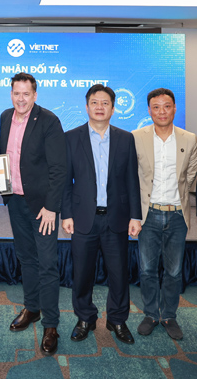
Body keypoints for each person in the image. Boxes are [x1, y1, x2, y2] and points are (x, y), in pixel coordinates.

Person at [62, 85, 141, 345]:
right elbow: (65, 180)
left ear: (113, 109)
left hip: (116, 217)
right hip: (83, 217)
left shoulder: (125, 138)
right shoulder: (71, 137)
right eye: (94, 102)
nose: (99, 107)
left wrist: (135, 216)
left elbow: (132, 180)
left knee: (118, 273)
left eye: (105, 103)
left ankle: (117, 319)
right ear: (86, 107)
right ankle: (85, 318)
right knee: (82, 273)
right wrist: (66, 214)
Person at [0, 72, 66, 356]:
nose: (21, 99)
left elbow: (59, 168)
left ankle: (51, 325)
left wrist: (51, 207)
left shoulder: (49, 120)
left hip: (42, 208)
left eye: (26, 94)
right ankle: (32, 308)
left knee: (47, 264)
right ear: (11, 94)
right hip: (16, 202)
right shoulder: (5, 117)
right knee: (26, 258)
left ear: (35, 95)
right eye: (17, 93)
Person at [132, 88, 197, 340]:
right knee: (147, 270)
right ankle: (151, 314)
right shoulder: (136, 137)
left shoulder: (189, 139)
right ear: (149, 110)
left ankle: (169, 315)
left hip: (177, 215)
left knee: (173, 271)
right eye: (156, 107)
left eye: (167, 106)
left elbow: (191, 174)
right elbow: (131, 176)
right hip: (148, 214)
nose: (162, 111)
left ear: (174, 108)